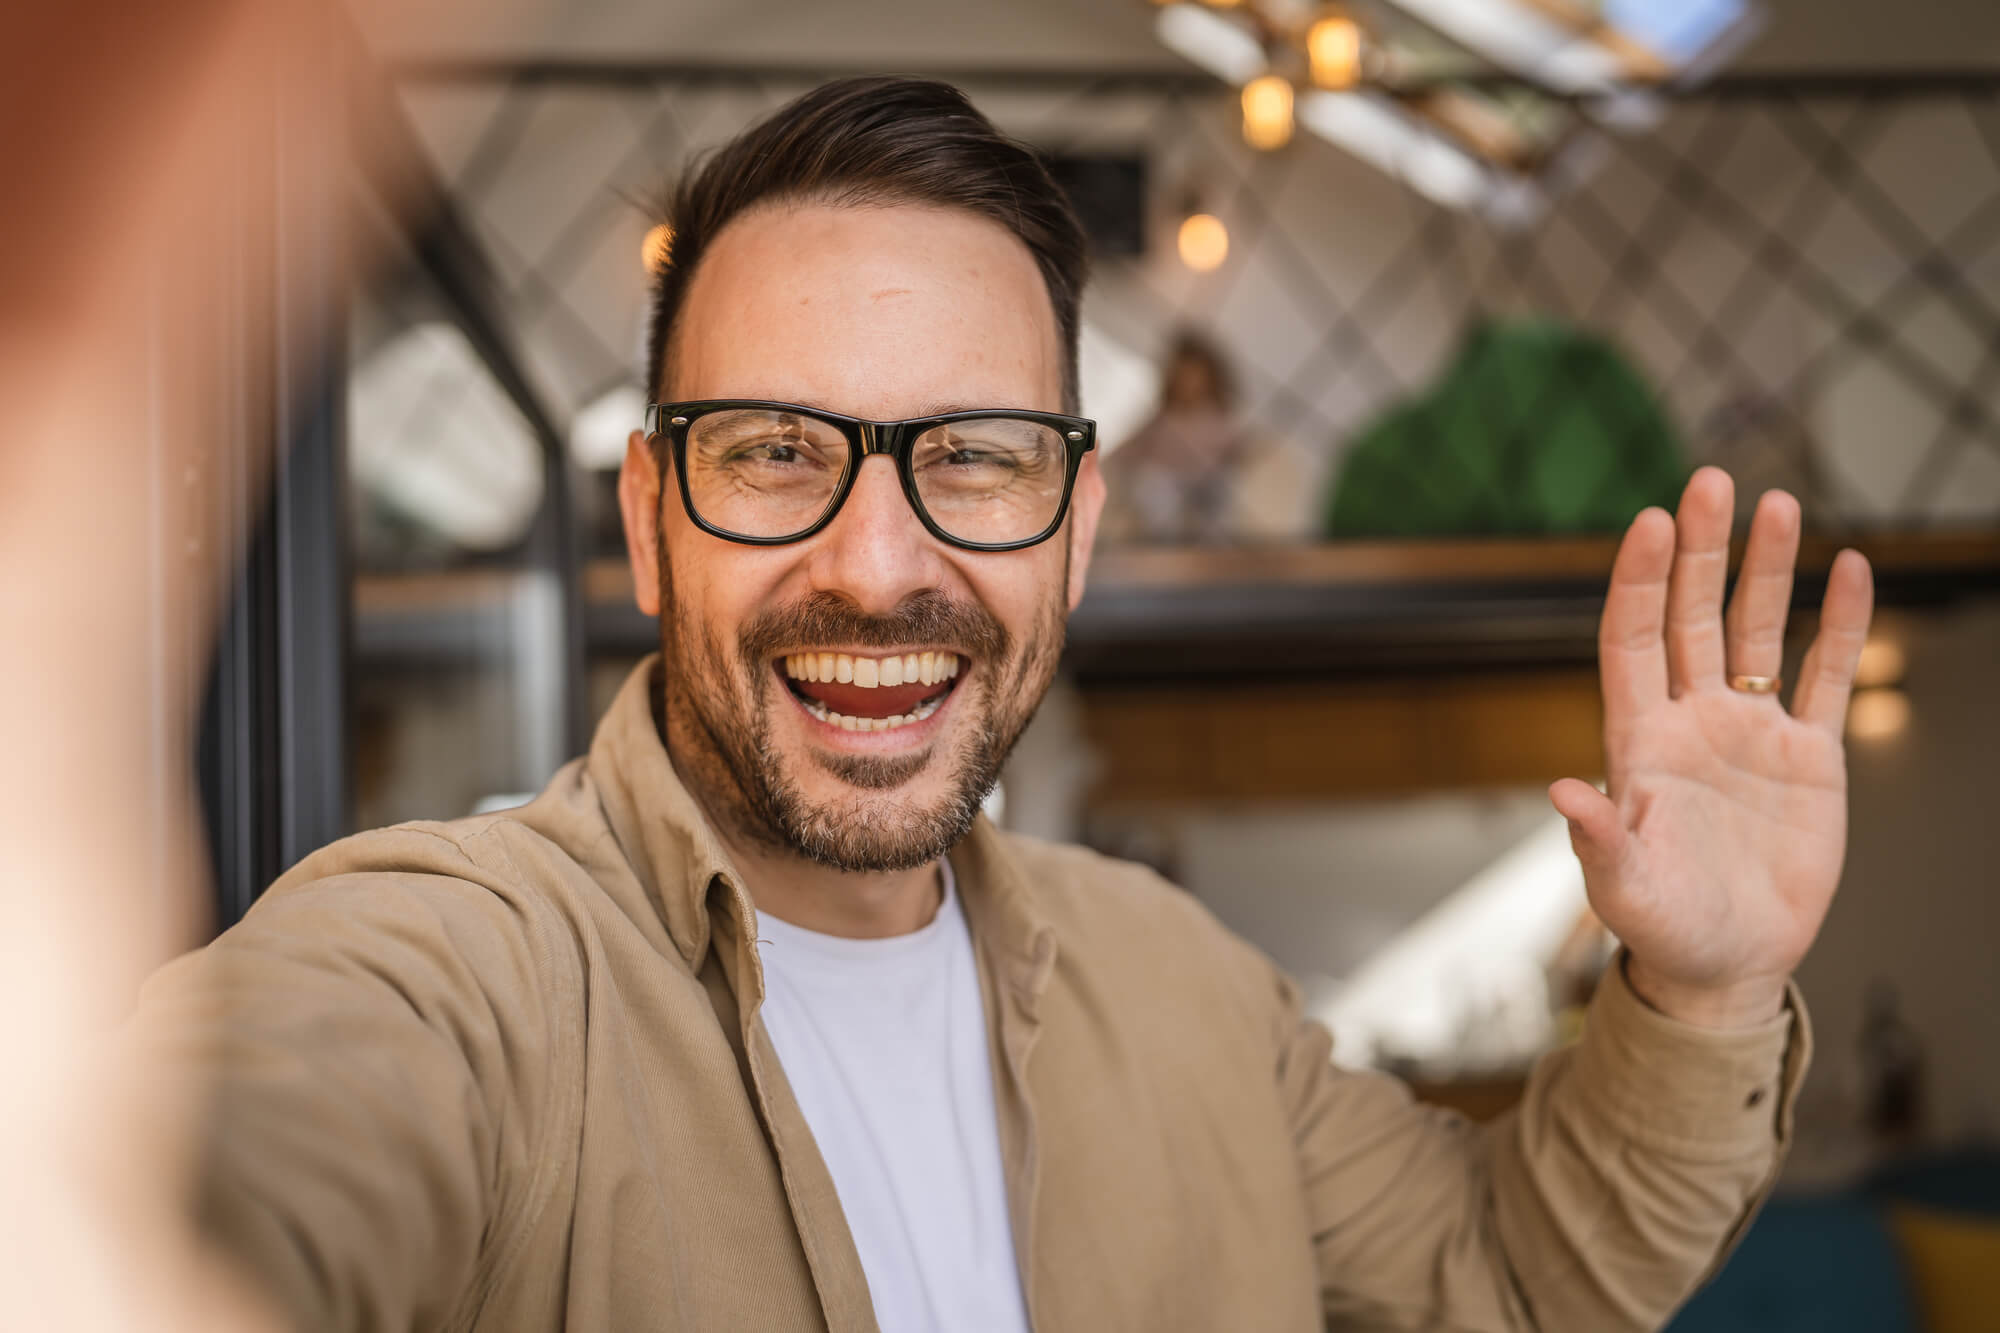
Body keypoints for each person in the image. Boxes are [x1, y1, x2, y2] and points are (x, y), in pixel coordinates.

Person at [129, 76, 1877, 1332]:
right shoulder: (461, 974)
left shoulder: (1192, 987)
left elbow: (1510, 1278)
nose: (877, 564)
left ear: (1078, 530)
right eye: (773, 453)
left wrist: (1706, 986)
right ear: (652, 526)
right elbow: (180, 1191)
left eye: (970, 456)